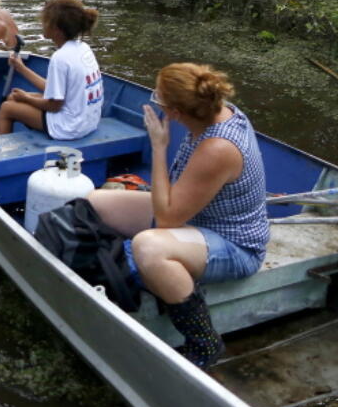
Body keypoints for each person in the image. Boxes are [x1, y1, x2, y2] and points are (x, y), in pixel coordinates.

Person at [87, 63, 269, 368]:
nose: (156, 100)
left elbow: (167, 218)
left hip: (235, 245)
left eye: (159, 98)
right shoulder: (218, 110)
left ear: (174, 112)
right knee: (95, 202)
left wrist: (159, 147)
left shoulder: (218, 148)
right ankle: (154, 277)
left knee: (148, 246)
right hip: (195, 218)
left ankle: (204, 341)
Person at [0, 0, 102, 138]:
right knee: (13, 98)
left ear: (57, 29)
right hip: (88, 122)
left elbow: (54, 105)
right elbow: (54, 90)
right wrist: (21, 68)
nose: (42, 25)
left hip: (69, 127)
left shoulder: (60, 58)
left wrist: (26, 98)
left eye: (45, 21)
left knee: (6, 108)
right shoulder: (83, 48)